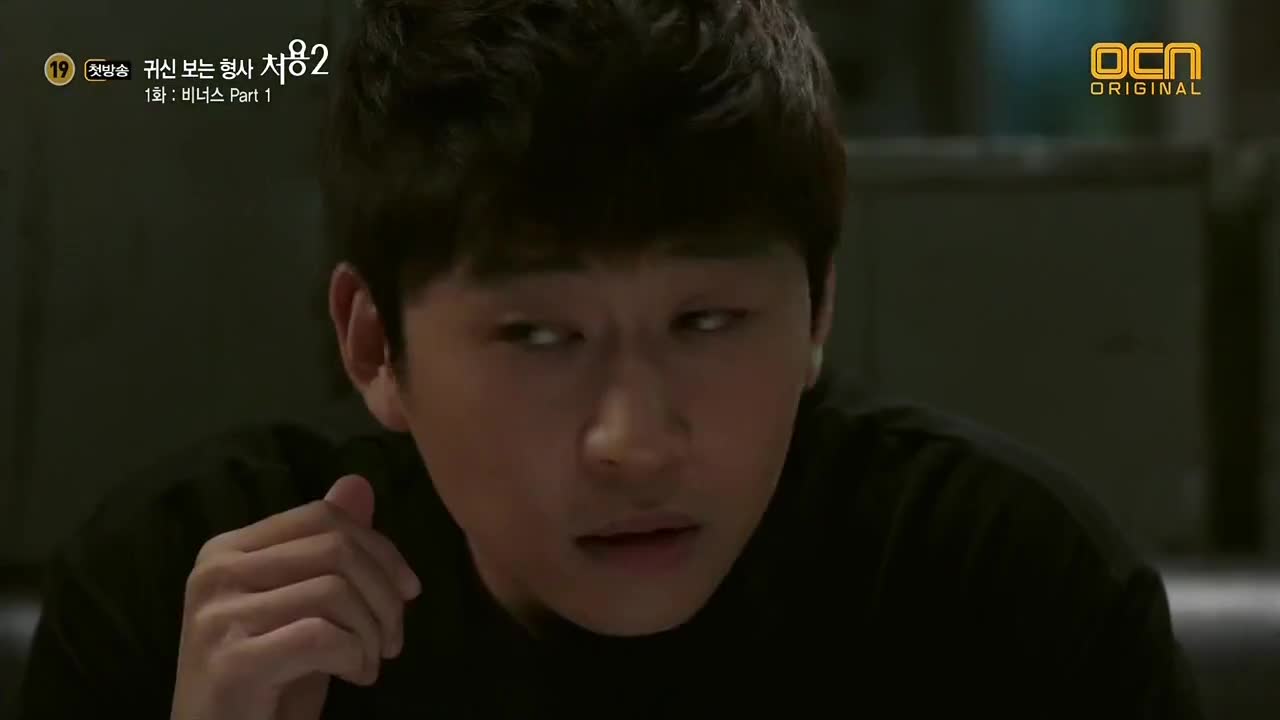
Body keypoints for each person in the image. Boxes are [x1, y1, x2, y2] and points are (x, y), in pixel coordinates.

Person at [18, 1, 1202, 718]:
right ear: (375, 344)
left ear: (818, 311)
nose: (631, 443)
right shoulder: (184, 609)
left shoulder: (1005, 597)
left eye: (707, 322)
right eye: (539, 337)